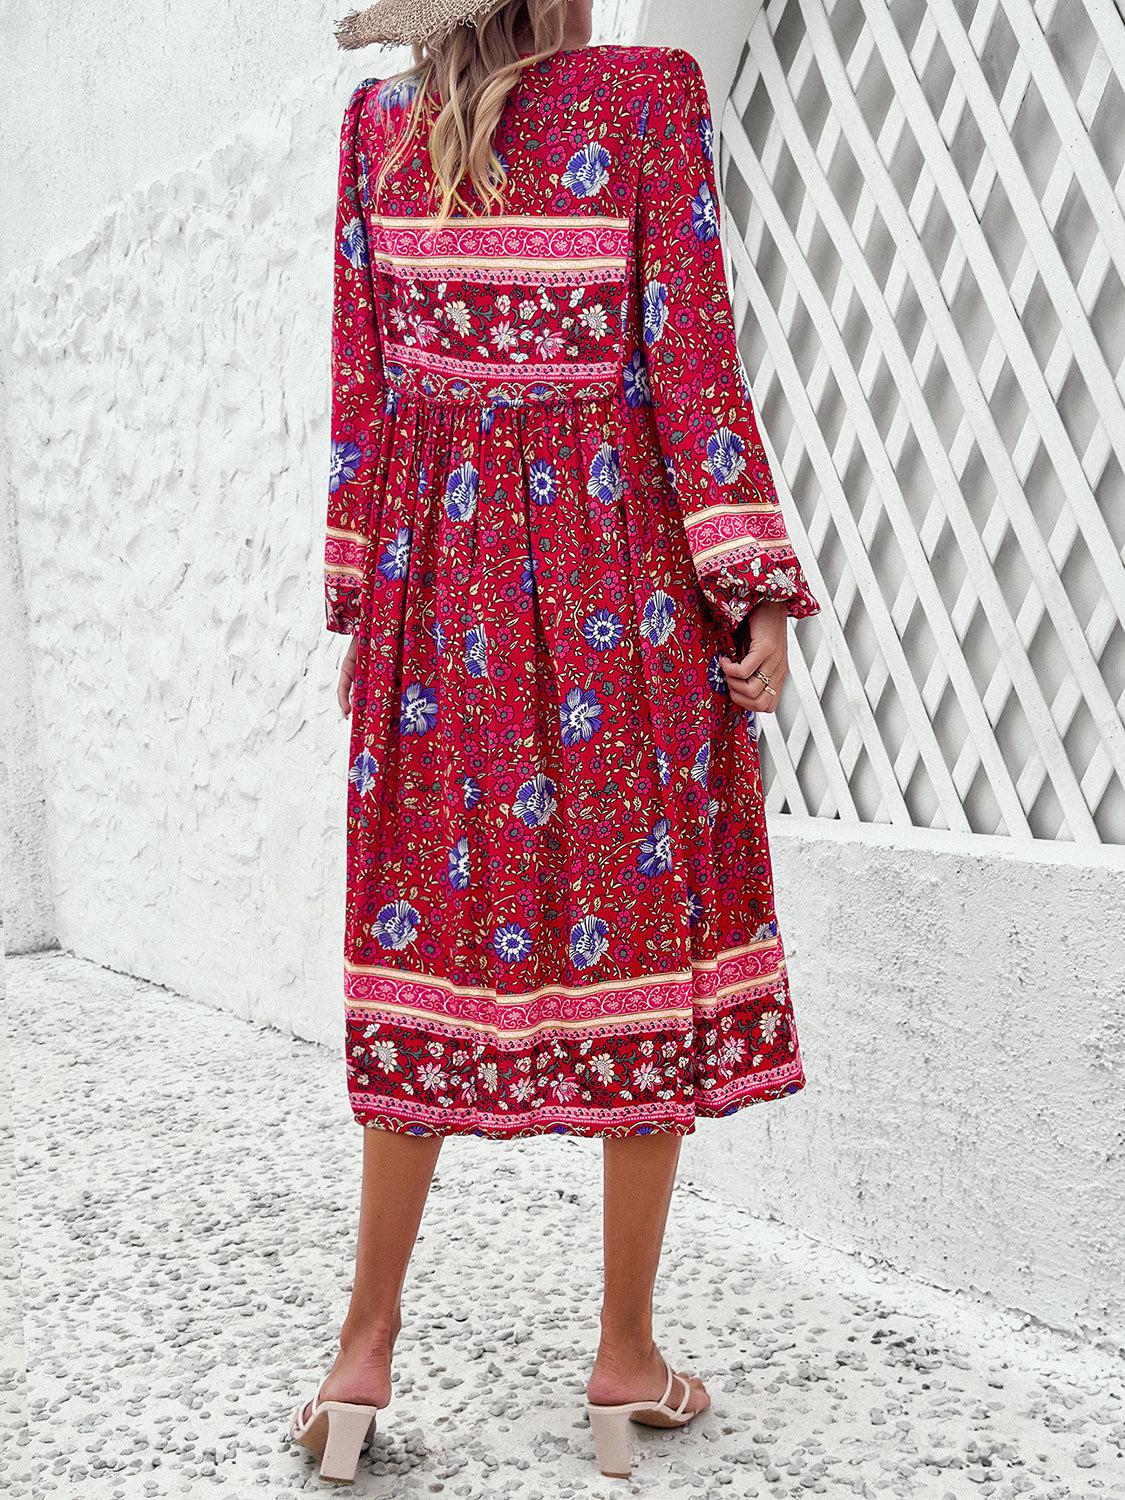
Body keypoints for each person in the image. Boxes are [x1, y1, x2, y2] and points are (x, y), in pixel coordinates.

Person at [291, 0, 821, 1481]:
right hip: (616, 588)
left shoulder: (373, 133)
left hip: (434, 595)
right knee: (639, 940)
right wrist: (749, 580)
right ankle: (623, 1362)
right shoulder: (645, 96)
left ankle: (360, 1357)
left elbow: (363, 397)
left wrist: (363, 610)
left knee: (429, 944)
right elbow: (691, 359)